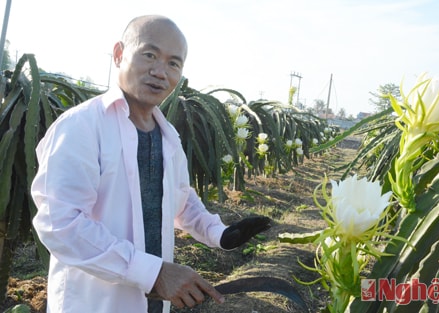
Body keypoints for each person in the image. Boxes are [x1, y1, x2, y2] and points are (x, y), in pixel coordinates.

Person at [31, 15, 271, 313]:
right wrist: (154, 273)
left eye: (173, 63)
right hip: (94, 304)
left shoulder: (167, 136)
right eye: (149, 55)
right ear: (119, 54)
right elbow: (60, 224)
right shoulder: (81, 127)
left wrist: (219, 233)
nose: (160, 72)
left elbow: (181, 200)